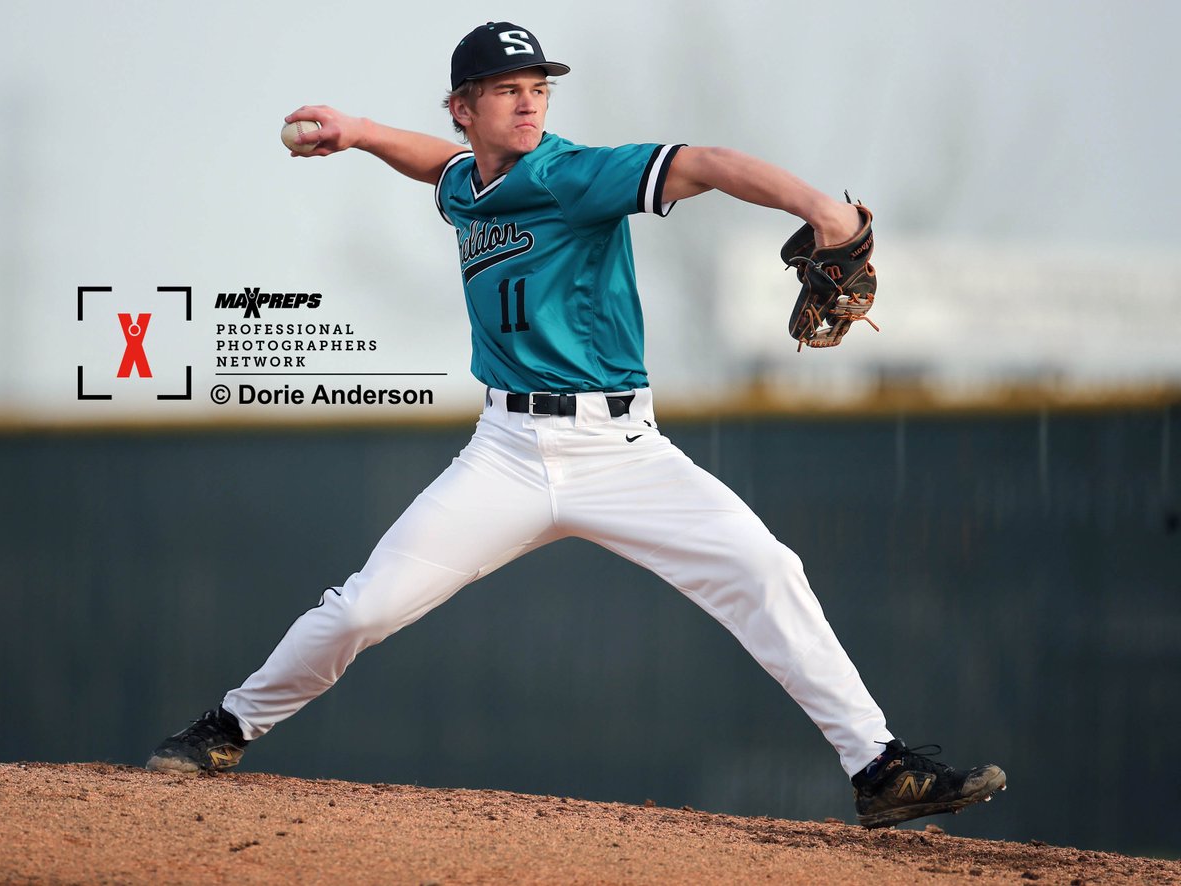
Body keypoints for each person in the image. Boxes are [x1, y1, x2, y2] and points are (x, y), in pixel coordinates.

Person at [147, 21, 1005, 829]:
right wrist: (363, 131)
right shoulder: (467, 186)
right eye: (507, 89)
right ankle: (228, 725)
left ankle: (880, 770)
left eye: (539, 88)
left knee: (767, 571)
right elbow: (443, 168)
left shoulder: (572, 174)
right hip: (507, 455)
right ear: (463, 107)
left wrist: (823, 209)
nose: (528, 103)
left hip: (623, 452)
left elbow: (703, 161)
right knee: (362, 610)